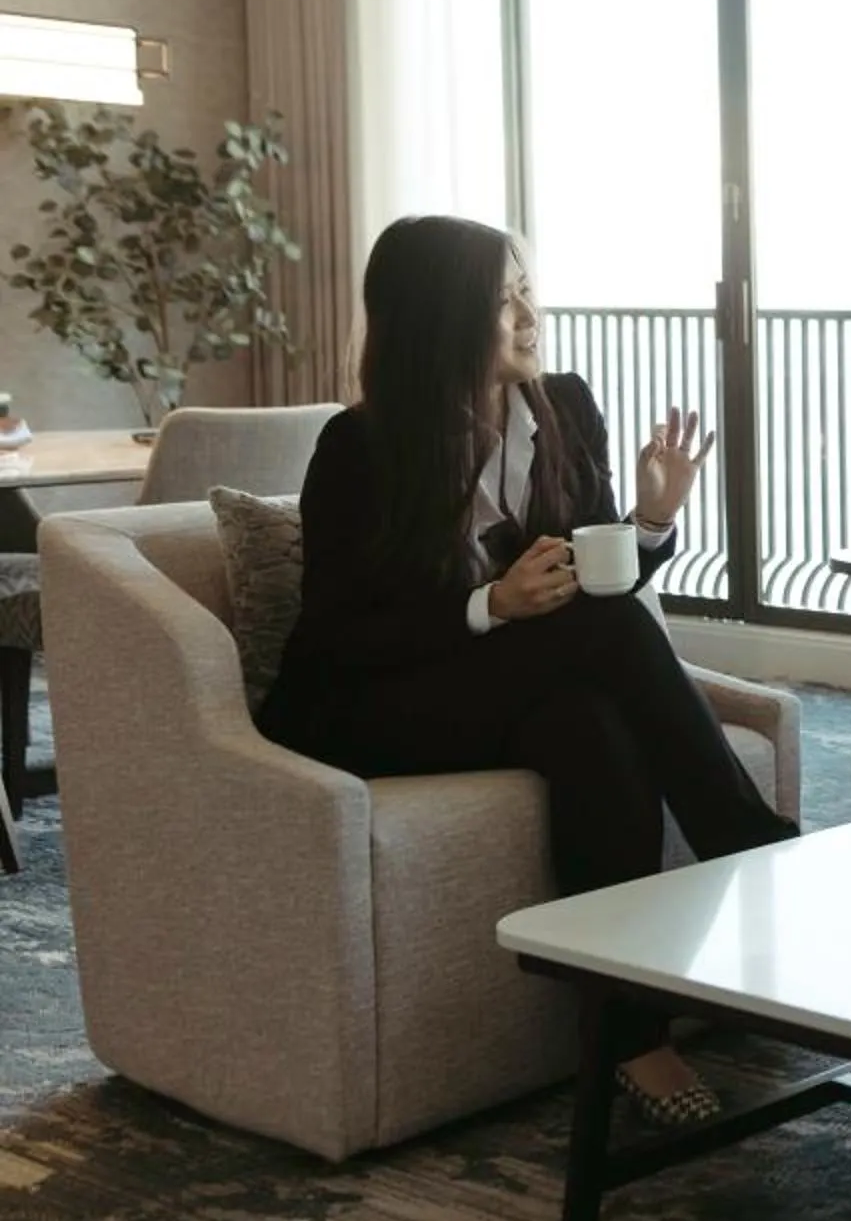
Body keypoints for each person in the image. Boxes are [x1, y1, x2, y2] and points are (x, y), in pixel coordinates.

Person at [258, 215, 799, 1125]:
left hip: (515, 689)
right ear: (437, 317)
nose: (528, 311)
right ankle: (758, 857)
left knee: (590, 729)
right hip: (372, 706)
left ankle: (631, 1037)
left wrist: (652, 523)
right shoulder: (357, 450)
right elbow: (337, 634)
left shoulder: (563, 407)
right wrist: (487, 606)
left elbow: (594, 584)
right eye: (501, 297)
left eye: (525, 288)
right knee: (615, 642)